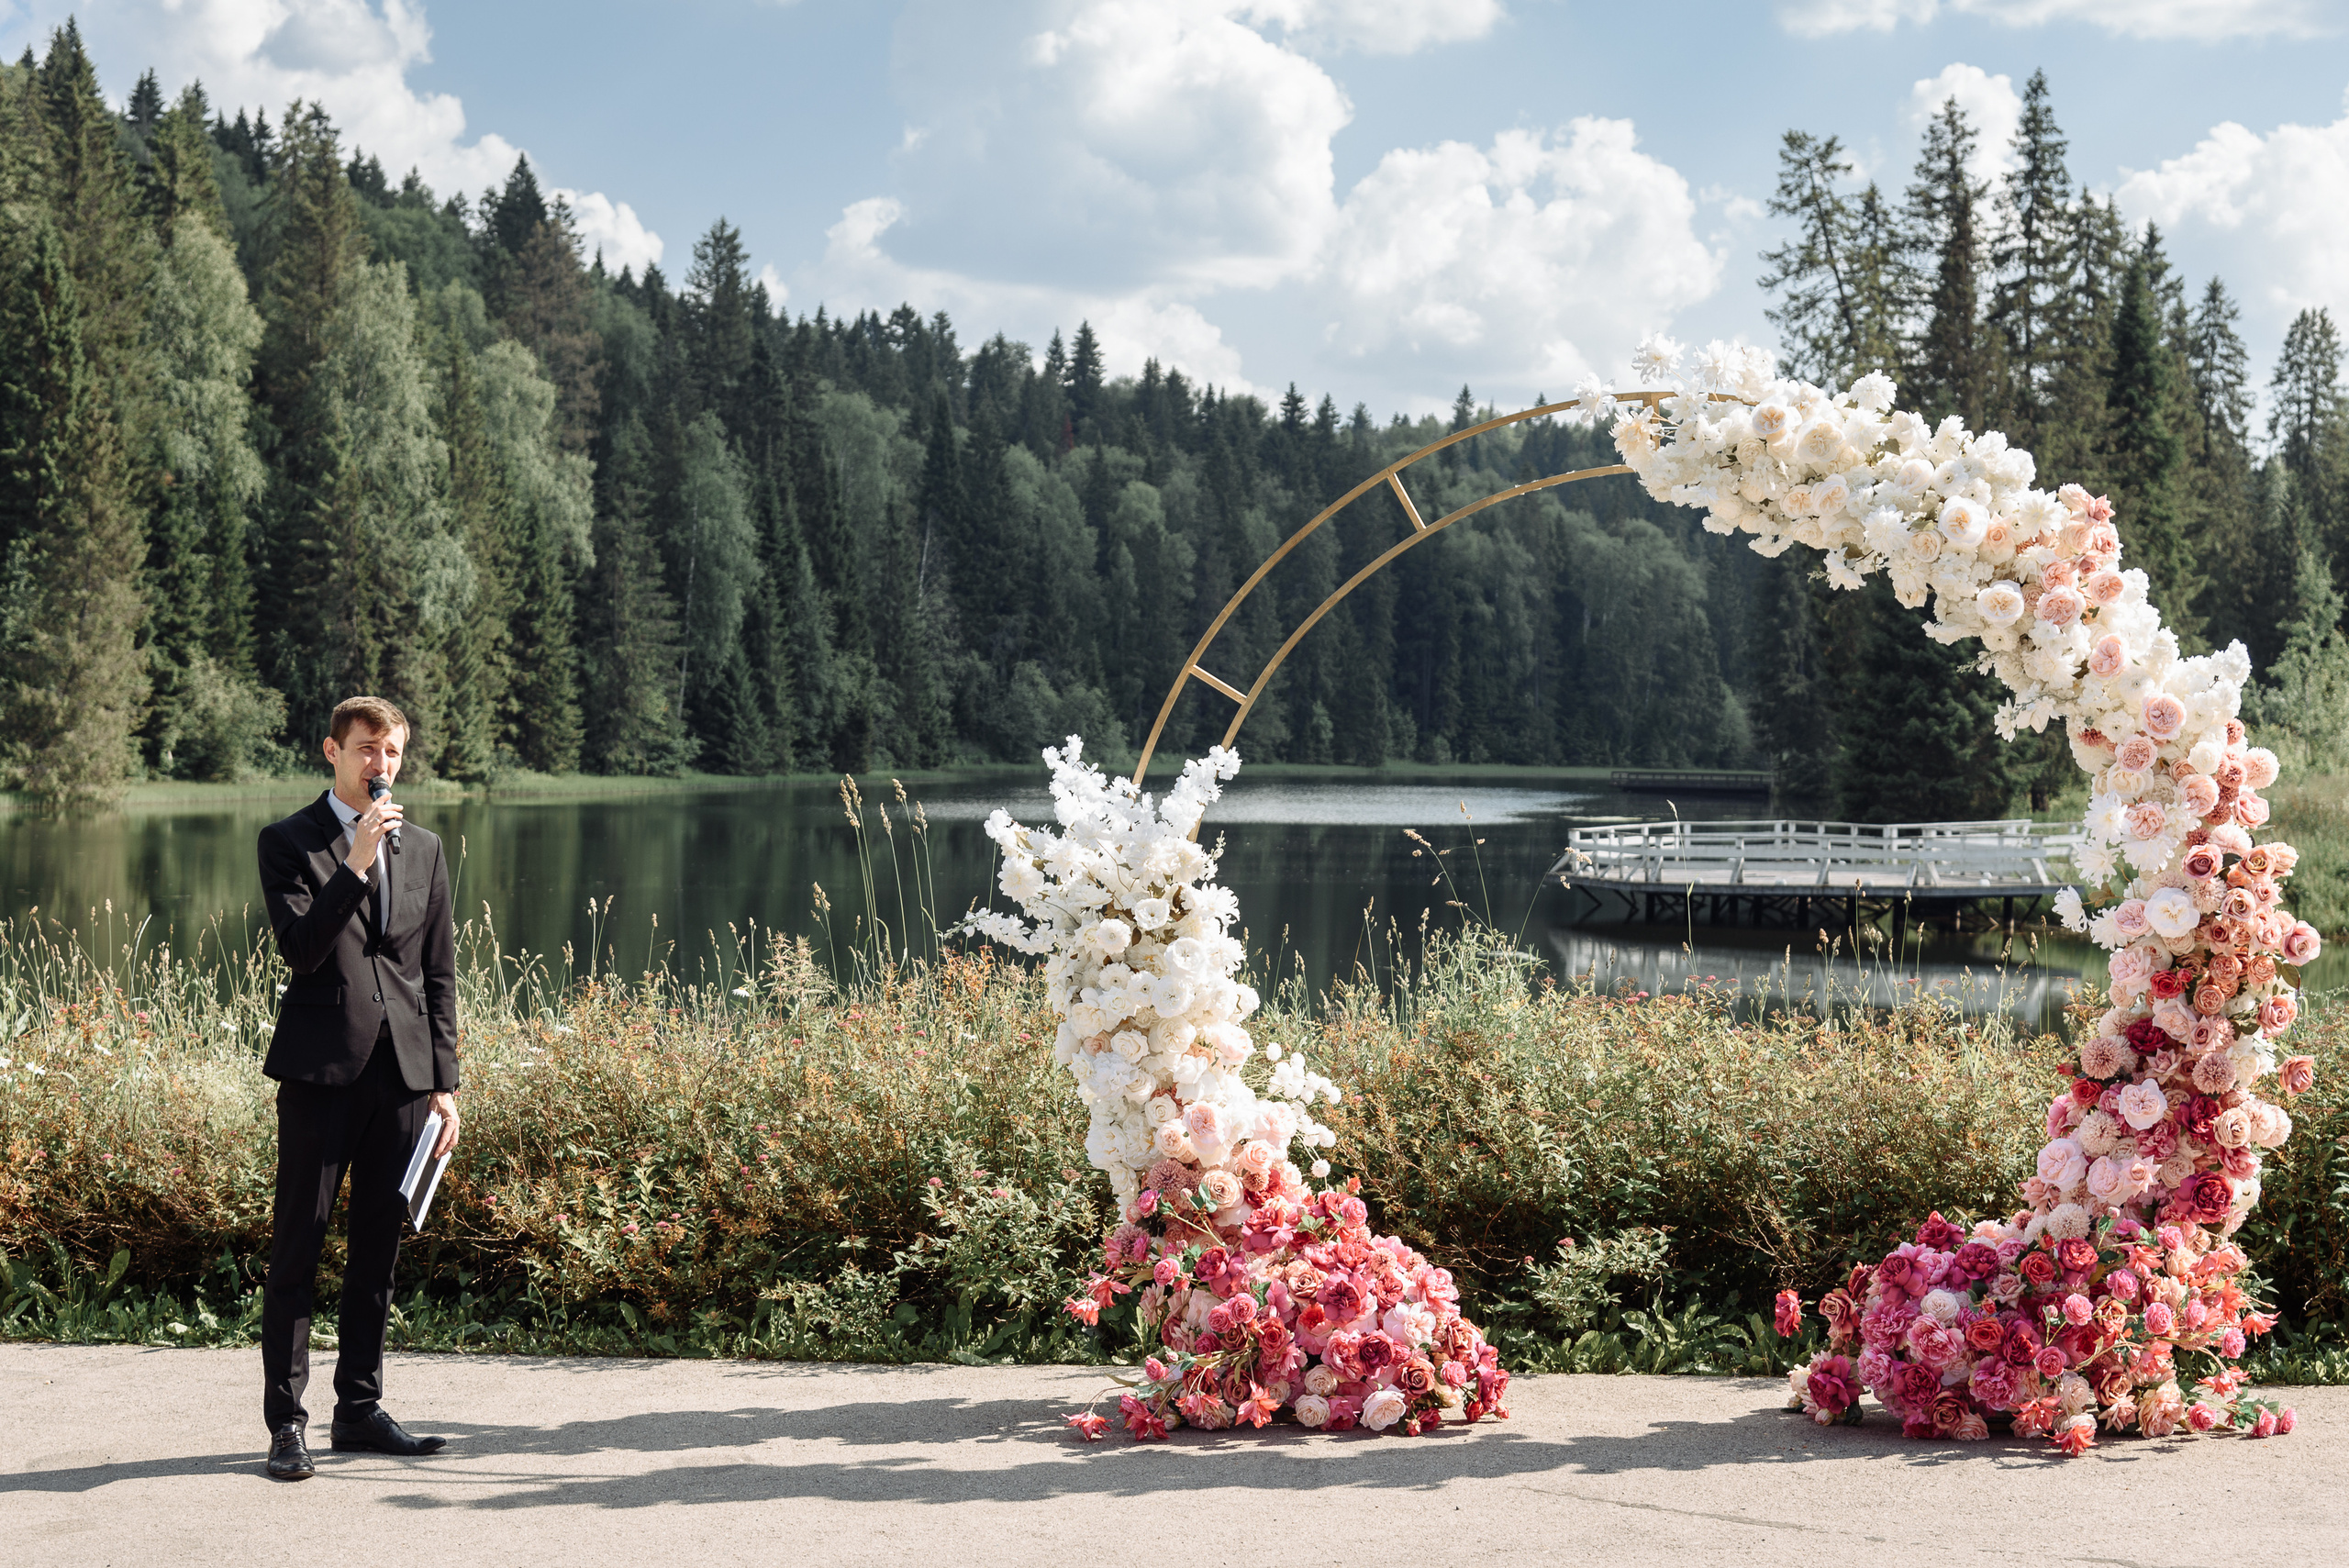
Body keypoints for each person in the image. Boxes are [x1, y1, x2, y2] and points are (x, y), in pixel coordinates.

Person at [253, 695, 461, 1481]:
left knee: (378, 1249)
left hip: (403, 1077)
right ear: (333, 752)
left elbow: (438, 972)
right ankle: (287, 1422)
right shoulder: (288, 843)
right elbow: (303, 950)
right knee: (297, 1250)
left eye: (394, 753)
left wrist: (444, 1083)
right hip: (320, 1073)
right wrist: (355, 861)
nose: (382, 766)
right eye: (368, 749)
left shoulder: (429, 849)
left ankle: (360, 1408)